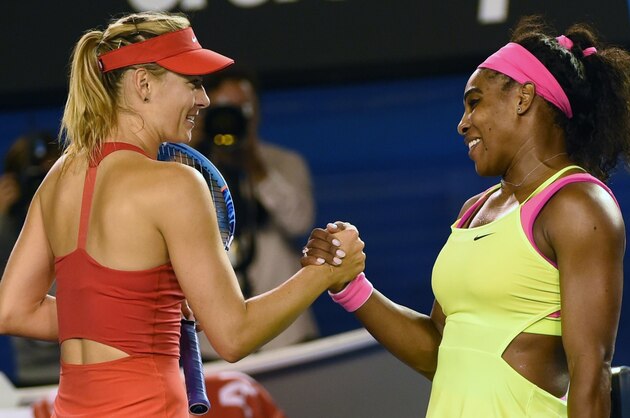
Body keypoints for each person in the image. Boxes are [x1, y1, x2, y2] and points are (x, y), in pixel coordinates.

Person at [0, 11, 365, 418]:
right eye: (192, 82)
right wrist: (327, 269)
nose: (204, 100)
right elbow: (234, 336)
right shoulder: (176, 184)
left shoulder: (60, 176)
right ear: (143, 84)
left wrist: (139, 314)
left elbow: (13, 309)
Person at [302, 16, 629, 417]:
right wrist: (351, 286)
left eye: (475, 102)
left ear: (523, 97)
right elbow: (438, 352)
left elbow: (591, 375)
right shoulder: (474, 210)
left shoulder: (579, 204)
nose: (462, 124)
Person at [191, 66, 319, 353]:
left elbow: (300, 222)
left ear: (257, 113)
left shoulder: (283, 162)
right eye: (223, 109)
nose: (232, 117)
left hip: (286, 333)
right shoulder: (186, 168)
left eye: (242, 108)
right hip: (213, 340)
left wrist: (255, 167)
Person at [0, 131, 62, 386]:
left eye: (48, 176)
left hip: (82, 366)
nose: (40, 186)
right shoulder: (6, 229)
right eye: (34, 179)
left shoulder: (85, 217)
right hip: (28, 375)